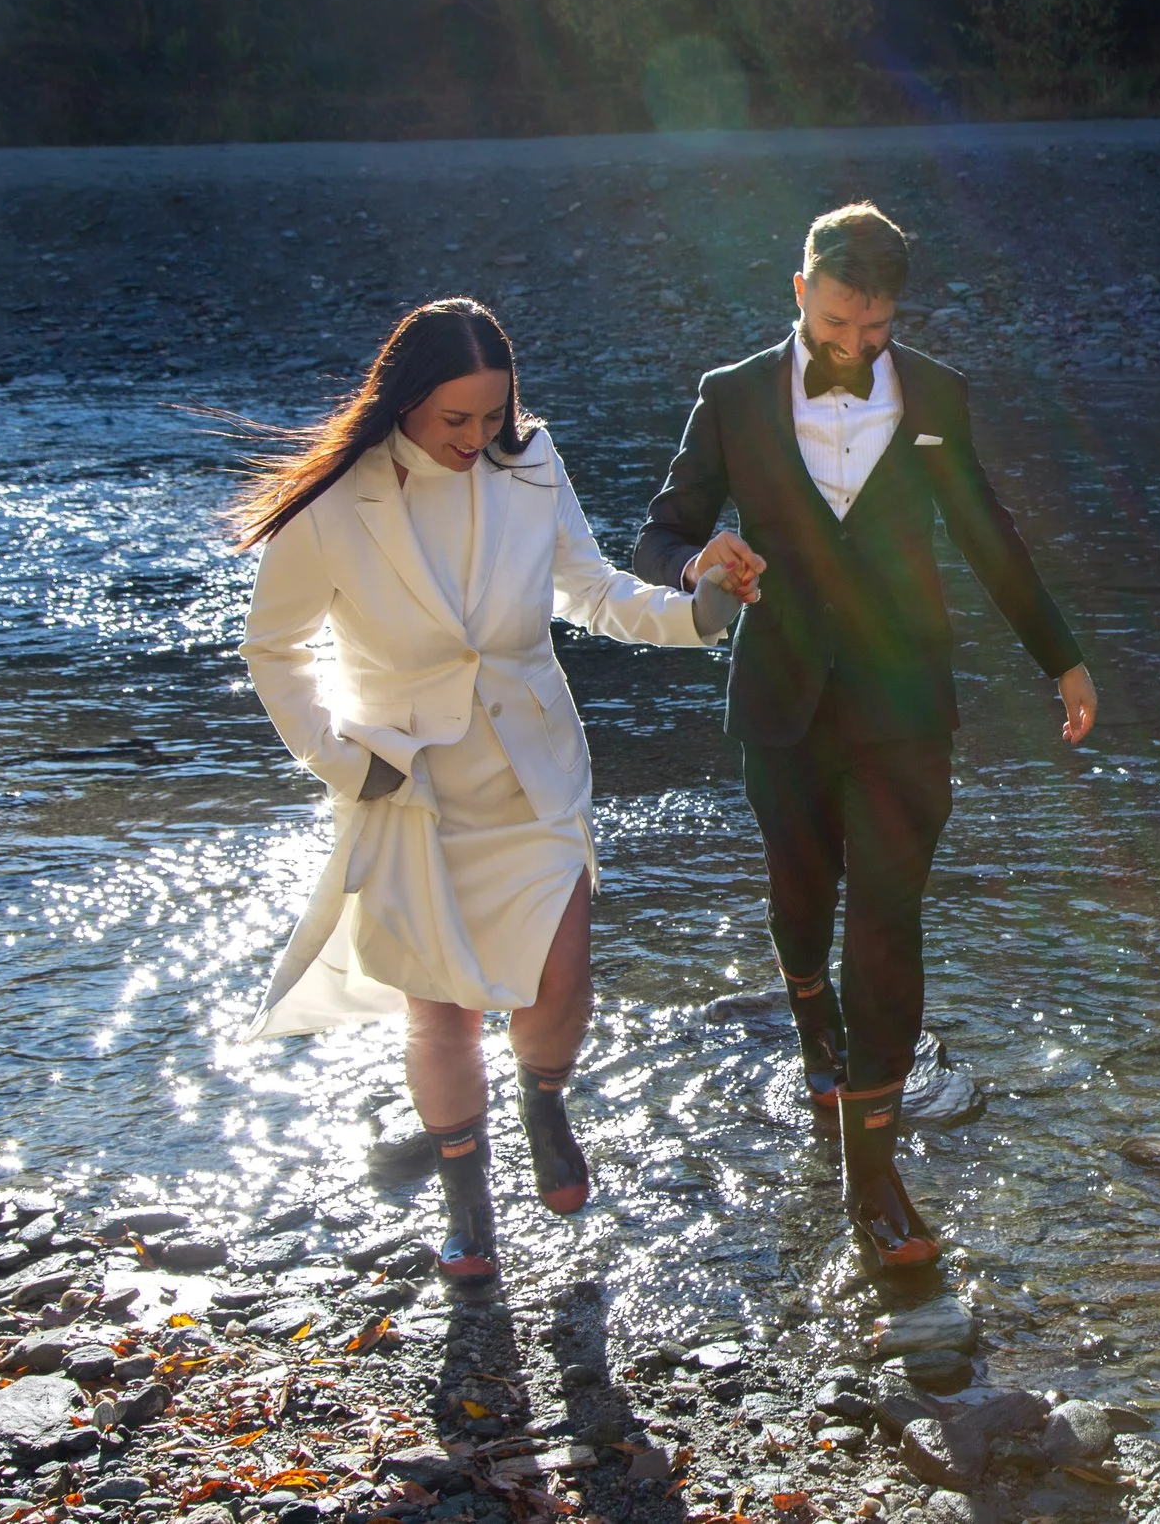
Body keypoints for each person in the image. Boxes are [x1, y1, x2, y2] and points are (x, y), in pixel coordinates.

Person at [229, 298, 736, 1286]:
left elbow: (589, 589)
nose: (476, 440)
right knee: (442, 1014)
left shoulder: (531, 459)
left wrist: (701, 612)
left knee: (561, 972)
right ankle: (469, 1204)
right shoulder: (334, 505)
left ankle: (543, 1098)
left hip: (533, 769)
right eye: (455, 420)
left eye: (492, 416)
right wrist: (344, 760)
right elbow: (274, 652)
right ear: (405, 402)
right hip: (409, 786)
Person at [634, 203, 1095, 1269]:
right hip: (782, 701)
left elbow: (987, 533)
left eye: (873, 331)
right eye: (837, 323)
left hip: (903, 706)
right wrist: (701, 559)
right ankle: (811, 1021)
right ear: (800, 291)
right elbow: (663, 528)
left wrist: (1058, 656)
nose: (854, 346)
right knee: (803, 898)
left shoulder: (935, 396)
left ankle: (874, 1173)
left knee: (888, 916)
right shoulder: (732, 397)